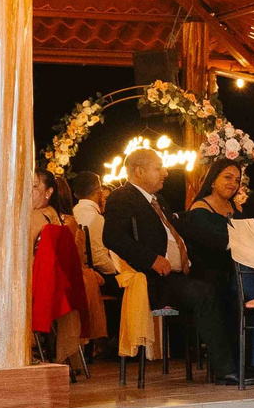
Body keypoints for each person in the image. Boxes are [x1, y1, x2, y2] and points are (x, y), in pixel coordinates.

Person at [101, 149, 238, 385]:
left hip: (179, 275)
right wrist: (150, 259)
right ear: (139, 171)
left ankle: (242, 360)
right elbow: (112, 237)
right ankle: (225, 369)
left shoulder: (157, 200)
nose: (165, 173)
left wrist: (228, 243)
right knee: (204, 293)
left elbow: (181, 229)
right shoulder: (122, 197)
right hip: (155, 280)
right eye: (158, 168)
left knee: (225, 281)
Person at [178, 160, 248, 378]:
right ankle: (228, 367)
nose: (232, 184)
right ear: (213, 180)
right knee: (234, 291)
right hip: (210, 275)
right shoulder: (200, 209)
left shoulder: (236, 208)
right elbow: (216, 244)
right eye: (227, 177)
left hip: (235, 270)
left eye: (236, 180)